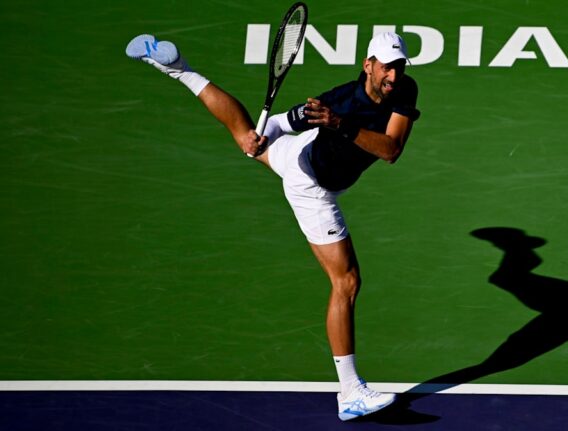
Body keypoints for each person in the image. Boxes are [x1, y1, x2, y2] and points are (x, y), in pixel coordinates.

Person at [125, 31, 420, 421]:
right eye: (386, 67)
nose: (393, 76)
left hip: (302, 152)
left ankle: (180, 70)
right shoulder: (336, 100)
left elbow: (391, 150)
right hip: (310, 183)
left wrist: (266, 139)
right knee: (345, 282)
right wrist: (267, 133)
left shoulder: (403, 90)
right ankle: (349, 391)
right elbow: (283, 120)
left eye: (399, 67)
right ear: (368, 65)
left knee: (243, 133)